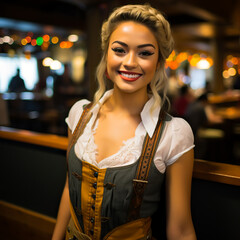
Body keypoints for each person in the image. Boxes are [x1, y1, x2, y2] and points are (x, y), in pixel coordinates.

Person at [52, 4, 196, 240]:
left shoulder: (174, 133)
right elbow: (70, 188)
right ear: (106, 54)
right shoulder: (80, 114)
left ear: (159, 62)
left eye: (145, 53)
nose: (130, 62)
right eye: (119, 50)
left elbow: (180, 230)